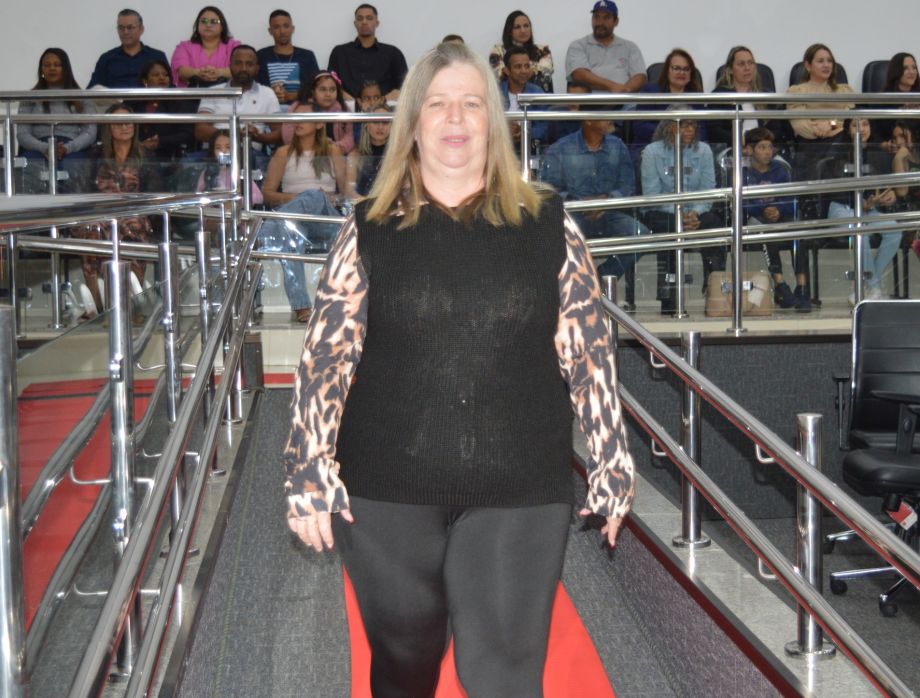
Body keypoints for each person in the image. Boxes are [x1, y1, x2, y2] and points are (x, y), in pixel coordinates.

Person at [282, 41, 634, 695]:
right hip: (386, 485)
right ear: (413, 122)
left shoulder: (551, 226)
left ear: (492, 122)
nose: (455, 118)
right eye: (438, 104)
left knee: (502, 674)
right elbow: (326, 356)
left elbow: (589, 352)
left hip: (520, 483)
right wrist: (308, 464)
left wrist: (611, 458)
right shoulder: (366, 229)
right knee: (405, 665)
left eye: (471, 104)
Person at [541, 102, 649, 280]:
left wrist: (606, 200)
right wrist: (579, 204)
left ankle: (601, 278)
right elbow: (550, 190)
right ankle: (578, 283)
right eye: (605, 114)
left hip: (609, 213)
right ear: (588, 120)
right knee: (558, 237)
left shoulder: (618, 146)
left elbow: (628, 186)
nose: (611, 119)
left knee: (641, 235)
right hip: (572, 216)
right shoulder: (560, 149)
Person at [261, 103, 345, 322]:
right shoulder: (283, 153)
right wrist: (299, 199)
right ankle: (301, 305)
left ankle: (267, 228)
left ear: (319, 123)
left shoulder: (332, 150)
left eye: (304, 118)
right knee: (291, 232)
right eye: (295, 118)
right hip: (295, 222)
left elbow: (346, 192)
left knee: (315, 196)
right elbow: (267, 193)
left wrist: (328, 198)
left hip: (325, 220)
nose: (297, 122)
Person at [73, 103, 157, 317]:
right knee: (93, 229)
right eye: (118, 123)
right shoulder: (95, 155)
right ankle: (96, 306)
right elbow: (81, 190)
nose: (124, 127)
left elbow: (154, 192)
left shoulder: (146, 155)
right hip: (100, 213)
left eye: (128, 122)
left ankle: (134, 304)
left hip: (135, 212)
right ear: (108, 127)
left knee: (133, 227)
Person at [641, 116, 725, 314]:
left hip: (696, 211)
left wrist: (694, 212)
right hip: (662, 210)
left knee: (715, 224)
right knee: (670, 227)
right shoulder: (651, 152)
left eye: (693, 125)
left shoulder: (703, 150)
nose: (690, 129)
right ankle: (669, 296)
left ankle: (715, 289)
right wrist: (681, 214)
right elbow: (652, 195)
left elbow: (708, 190)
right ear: (669, 126)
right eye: (683, 125)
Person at [826, 118, 901, 303]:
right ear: (848, 130)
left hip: (868, 211)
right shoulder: (837, 152)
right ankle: (874, 287)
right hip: (843, 208)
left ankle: (865, 284)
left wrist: (890, 195)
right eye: (855, 125)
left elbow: (884, 185)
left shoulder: (877, 153)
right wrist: (861, 203)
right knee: (861, 231)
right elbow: (835, 189)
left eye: (866, 124)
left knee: (894, 230)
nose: (862, 128)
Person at [741, 127, 808, 310]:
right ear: (750, 150)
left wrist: (777, 209)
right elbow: (743, 204)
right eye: (762, 147)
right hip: (756, 219)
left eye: (770, 147)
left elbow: (791, 199)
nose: (767, 152)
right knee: (767, 233)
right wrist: (764, 209)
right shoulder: (743, 172)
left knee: (798, 233)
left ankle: (802, 287)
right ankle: (780, 285)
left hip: (780, 216)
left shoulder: (780, 170)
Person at [17, 48, 97, 194]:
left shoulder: (82, 97)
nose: (52, 68)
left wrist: (67, 148)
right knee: (29, 164)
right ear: (41, 69)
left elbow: (90, 133)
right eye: (47, 65)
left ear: (65, 68)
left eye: (57, 65)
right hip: (38, 148)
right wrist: (45, 148)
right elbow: (22, 134)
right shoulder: (29, 97)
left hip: (72, 148)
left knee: (75, 166)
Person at [195, 45, 281, 169]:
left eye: (249, 64)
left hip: (249, 153)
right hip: (214, 152)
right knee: (187, 165)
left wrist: (255, 136)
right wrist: (233, 134)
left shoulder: (267, 93)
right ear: (230, 65)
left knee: (253, 163)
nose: (243, 68)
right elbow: (200, 130)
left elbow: (278, 133)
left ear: (257, 68)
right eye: (238, 63)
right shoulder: (213, 91)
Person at [787, 43, 853, 184]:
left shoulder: (844, 91)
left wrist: (829, 124)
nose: (826, 65)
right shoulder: (797, 91)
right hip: (810, 147)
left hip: (839, 146)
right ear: (808, 65)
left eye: (829, 61)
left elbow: (847, 122)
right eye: (820, 61)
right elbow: (801, 126)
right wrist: (831, 127)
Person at [709, 46, 788, 152]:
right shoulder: (720, 96)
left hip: (764, 152)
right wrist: (742, 141)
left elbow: (777, 131)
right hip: (732, 151)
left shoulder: (765, 96)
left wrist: (758, 145)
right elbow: (714, 132)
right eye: (741, 64)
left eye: (750, 63)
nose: (747, 68)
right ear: (730, 70)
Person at [327, 4, 408, 102]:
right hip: (348, 107)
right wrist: (350, 102)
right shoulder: (339, 53)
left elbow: (406, 87)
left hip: (384, 108)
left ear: (377, 23)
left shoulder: (393, 53)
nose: (364, 22)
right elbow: (329, 84)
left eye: (369, 18)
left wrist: (382, 101)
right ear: (355, 23)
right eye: (360, 18)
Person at [632, 48, 708, 152]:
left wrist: (686, 135)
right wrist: (672, 131)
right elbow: (640, 127)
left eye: (686, 69)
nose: (682, 73)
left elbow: (702, 131)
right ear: (667, 71)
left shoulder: (696, 97)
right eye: (676, 68)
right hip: (653, 148)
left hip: (688, 149)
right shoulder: (651, 91)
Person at [565, 0, 646, 94]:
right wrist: (612, 86)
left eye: (606, 18)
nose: (600, 23)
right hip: (590, 101)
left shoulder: (630, 47)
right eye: (596, 17)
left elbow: (640, 76)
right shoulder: (578, 46)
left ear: (616, 21)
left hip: (623, 100)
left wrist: (624, 92)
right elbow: (579, 75)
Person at [135, 58, 196, 170]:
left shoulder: (178, 103)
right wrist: (139, 144)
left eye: (165, 75)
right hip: (135, 158)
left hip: (168, 160)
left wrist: (160, 141)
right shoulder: (133, 101)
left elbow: (187, 134)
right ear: (145, 81)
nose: (162, 78)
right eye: (156, 75)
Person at [88, 9, 169, 88]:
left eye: (130, 27)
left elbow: (170, 89)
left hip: (147, 97)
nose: (125, 32)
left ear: (141, 29)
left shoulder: (157, 57)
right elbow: (93, 90)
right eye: (121, 28)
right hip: (115, 98)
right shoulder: (106, 58)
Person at [256, 9, 320, 105]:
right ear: (270, 31)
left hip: (301, 111)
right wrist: (270, 94)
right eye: (276, 27)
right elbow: (253, 89)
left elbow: (316, 89)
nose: (282, 31)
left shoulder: (307, 56)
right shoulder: (261, 56)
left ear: (292, 29)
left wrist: (291, 96)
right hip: (268, 111)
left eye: (286, 26)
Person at [282, 71, 354, 155]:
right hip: (303, 154)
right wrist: (318, 146)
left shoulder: (344, 108)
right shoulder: (298, 107)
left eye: (332, 90)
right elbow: (288, 136)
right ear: (313, 92)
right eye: (322, 89)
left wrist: (336, 148)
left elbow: (350, 137)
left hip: (335, 153)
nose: (328, 94)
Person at [170, 6, 241, 87]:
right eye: (204, 21)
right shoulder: (184, 47)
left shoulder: (234, 47)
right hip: (193, 93)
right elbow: (181, 71)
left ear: (222, 26)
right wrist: (198, 73)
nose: (208, 25)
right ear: (197, 25)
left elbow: (240, 69)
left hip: (227, 93)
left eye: (214, 21)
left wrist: (219, 73)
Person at [489, 10, 554, 94]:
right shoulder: (498, 50)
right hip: (507, 96)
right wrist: (533, 69)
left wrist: (516, 72)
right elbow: (499, 74)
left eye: (526, 26)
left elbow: (546, 70)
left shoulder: (542, 50)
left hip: (537, 96)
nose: (523, 30)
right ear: (509, 31)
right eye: (517, 27)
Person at [500, 46, 549, 147]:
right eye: (518, 67)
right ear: (506, 71)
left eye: (527, 66)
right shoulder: (495, 93)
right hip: (500, 146)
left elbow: (544, 129)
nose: (524, 71)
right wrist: (504, 129)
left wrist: (523, 131)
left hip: (529, 147)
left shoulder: (537, 93)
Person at [347, 102, 392, 197]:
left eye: (385, 122)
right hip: (362, 204)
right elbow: (349, 192)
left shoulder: (398, 154)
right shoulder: (355, 155)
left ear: (392, 126)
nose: (380, 127)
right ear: (366, 125)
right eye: (375, 122)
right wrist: (365, 202)